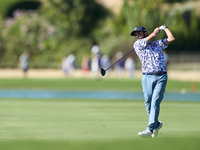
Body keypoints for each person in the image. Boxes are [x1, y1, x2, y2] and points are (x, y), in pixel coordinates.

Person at [130, 25, 175, 138]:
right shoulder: (137, 44)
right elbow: (154, 34)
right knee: (148, 103)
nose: (137, 36)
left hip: (161, 76)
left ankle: (150, 129)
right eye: (136, 35)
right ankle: (157, 124)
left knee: (155, 101)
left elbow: (171, 39)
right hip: (147, 77)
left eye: (139, 33)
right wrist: (157, 29)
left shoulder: (157, 44)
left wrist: (165, 28)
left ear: (145, 33)